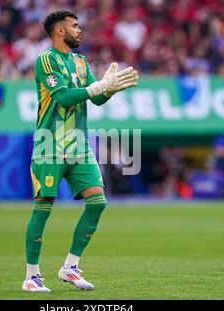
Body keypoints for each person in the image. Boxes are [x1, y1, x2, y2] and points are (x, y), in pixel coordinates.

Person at [22, 10, 139, 292]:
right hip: (50, 145)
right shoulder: (46, 60)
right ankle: (31, 276)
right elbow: (62, 96)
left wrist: (108, 89)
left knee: (98, 203)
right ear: (60, 31)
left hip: (78, 146)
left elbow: (94, 99)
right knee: (43, 209)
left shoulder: (80, 61)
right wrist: (96, 87)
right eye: (75, 26)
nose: (80, 30)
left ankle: (70, 267)